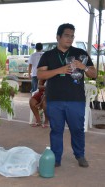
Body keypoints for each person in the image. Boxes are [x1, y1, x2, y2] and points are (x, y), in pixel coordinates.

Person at [37, 23, 97, 168]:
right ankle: (56, 158)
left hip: (75, 100)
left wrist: (84, 67)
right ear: (58, 37)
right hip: (55, 99)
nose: (70, 39)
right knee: (56, 130)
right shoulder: (48, 55)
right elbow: (40, 74)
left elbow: (94, 74)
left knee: (77, 129)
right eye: (66, 35)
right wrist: (60, 70)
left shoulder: (80, 53)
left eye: (72, 36)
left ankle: (80, 155)